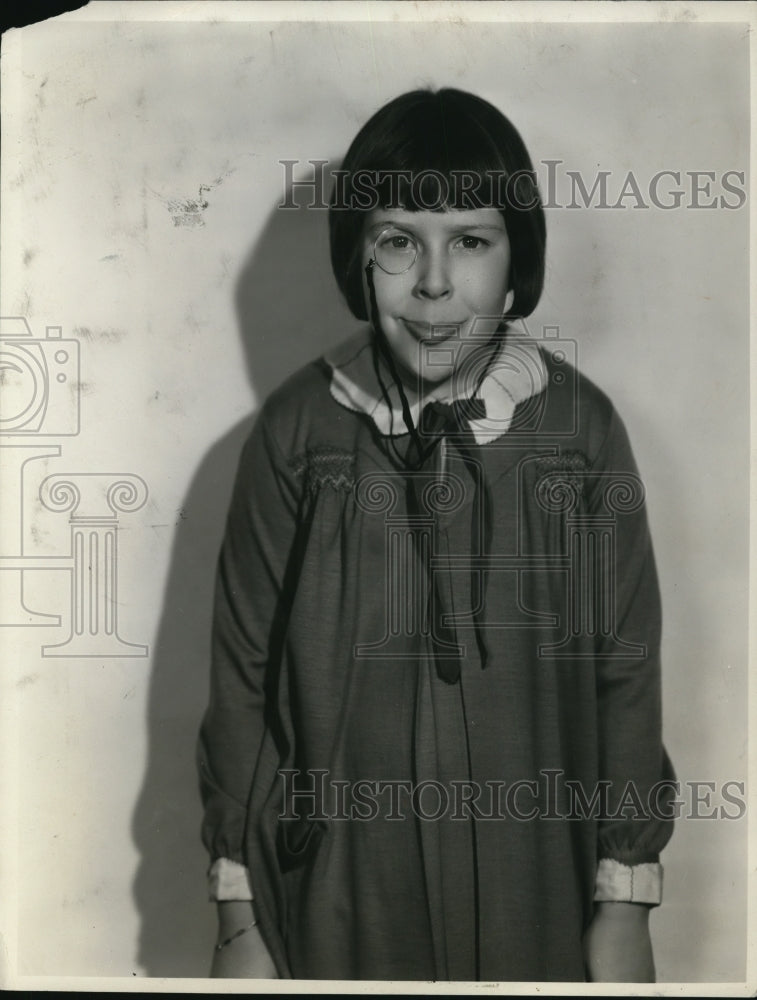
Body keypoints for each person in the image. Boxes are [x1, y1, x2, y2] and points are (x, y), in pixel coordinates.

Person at [197, 87, 675, 982]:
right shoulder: (299, 433)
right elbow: (242, 676)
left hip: (537, 881)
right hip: (337, 888)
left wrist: (623, 898)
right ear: (357, 255)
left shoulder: (576, 431)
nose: (430, 283)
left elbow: (623, 670)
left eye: (469, 241)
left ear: (516, 256)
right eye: (395, 242)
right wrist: (237, 915)